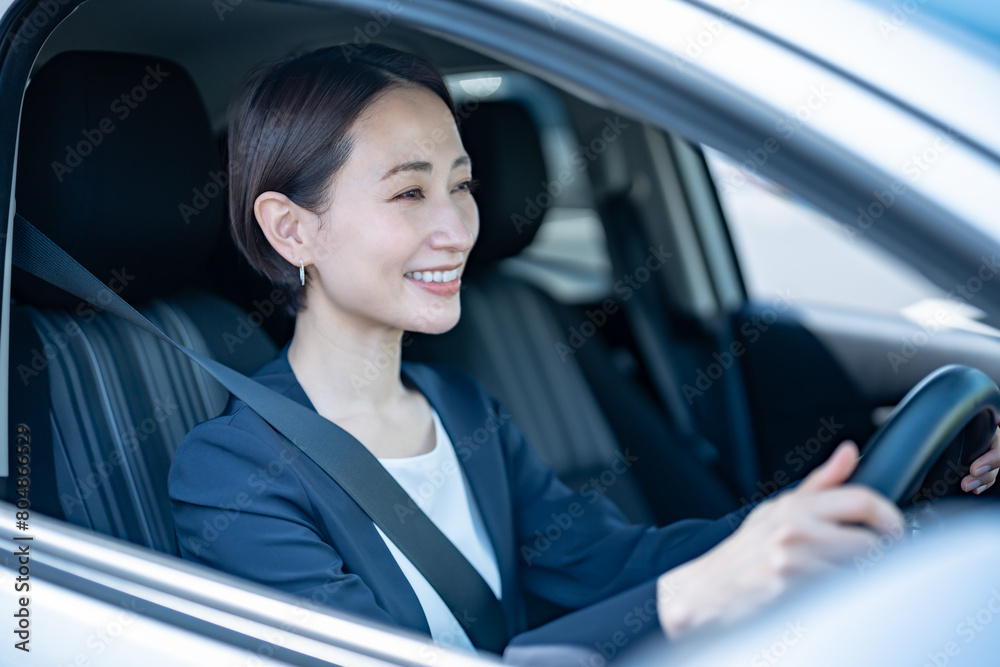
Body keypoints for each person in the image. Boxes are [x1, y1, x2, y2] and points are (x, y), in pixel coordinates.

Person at [167, 43, 1000, 659]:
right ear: (292, 227)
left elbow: (613, 565)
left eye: (461, 184)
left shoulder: (462, 408)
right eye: (410, 191)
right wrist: (690, 598)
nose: (456, 228)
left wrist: (866, 501)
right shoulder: (232, 474)